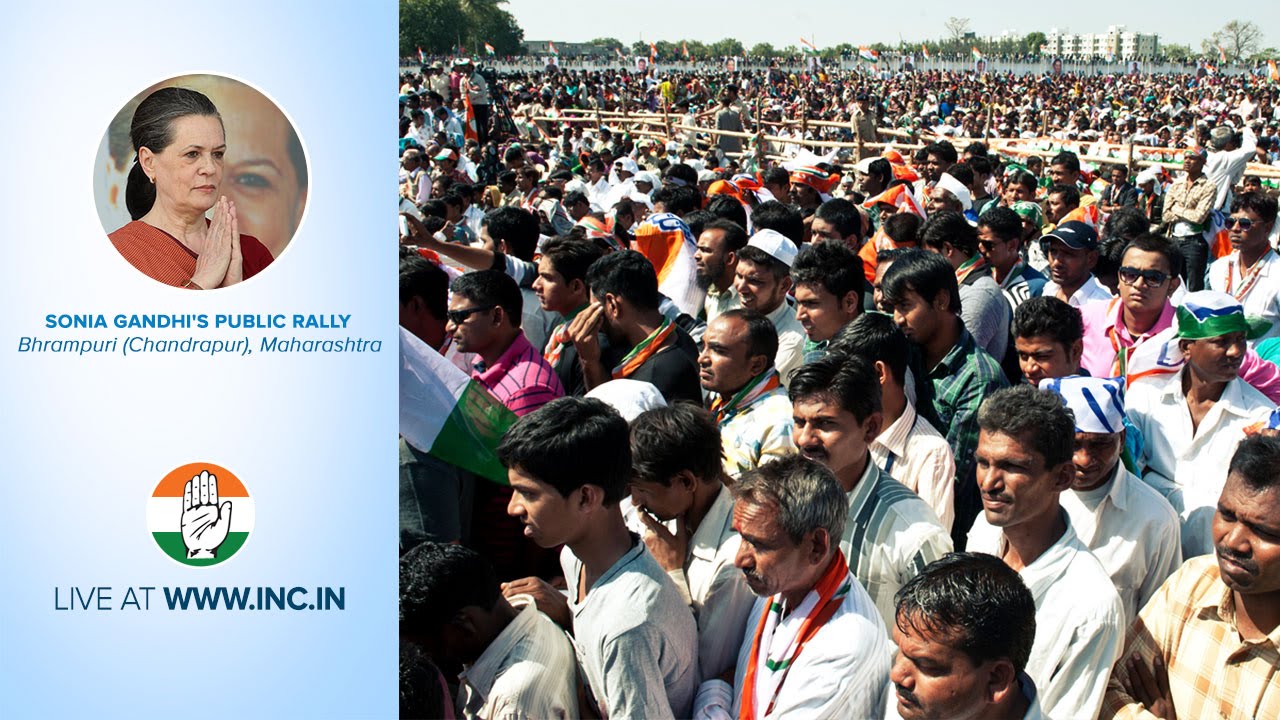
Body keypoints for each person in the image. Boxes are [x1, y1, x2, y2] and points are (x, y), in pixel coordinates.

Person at [499, 397, 697, 718]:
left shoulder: (628, 626)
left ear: (586, 498)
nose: (513, 508)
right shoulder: (573, 558)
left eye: (529, 493)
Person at [692, 456, 892, 719]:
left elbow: (726, 680)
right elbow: (737, 678)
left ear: (816, 547)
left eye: (759, 544)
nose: (740, 559)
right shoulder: (782, 585)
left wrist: (710, 697)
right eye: (740, 537)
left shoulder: (843, 645)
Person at [967, 386, 1125, 720]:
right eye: (983, 462)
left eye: (1011, 466)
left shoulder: (1092, 607)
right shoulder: (983, 531)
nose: (989, 482)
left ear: (1062, 477)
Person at [1101, 435, 1280, 720]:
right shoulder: (1193, 582)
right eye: (1227, 514)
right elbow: (1106, 690)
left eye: (1264, 532)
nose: (1233, 541)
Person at [789, 354, 953, 627]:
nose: (805, 439)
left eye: (825, 424)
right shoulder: (787, 499)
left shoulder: (914, 534)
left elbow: (935, 640)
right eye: (799, 422)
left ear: (871, 428)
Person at [1125, 290, 1274, 558]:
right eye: (1222, 341)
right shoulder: (1144, 398)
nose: (1236, 351)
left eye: (1241, 339)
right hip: (1146, 548)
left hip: (1212, 558)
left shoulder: (1259, 415)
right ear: (1186, 348)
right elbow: (1129, 472)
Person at [881, 249, 1010, 546]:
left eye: (905, 306)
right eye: (893, 308)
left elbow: (952, 479)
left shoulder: (978, 379)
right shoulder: (905, 351)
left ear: (940, 300)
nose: (897, 319)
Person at [627, 404, 757, 682]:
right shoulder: (672, 514)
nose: (636, 502)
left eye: (643, 491)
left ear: (686, 482)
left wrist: (672, 576)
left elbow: (701, 674)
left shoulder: (731, 567)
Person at [1039, 375, 1183, 623]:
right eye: (1074, 444)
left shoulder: (1156, 519)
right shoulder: (1028, 497)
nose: (1084, 460)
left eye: (1100, 444)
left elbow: (1161, 614)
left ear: (1122, 440)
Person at [109, 87, 274, 288]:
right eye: (192, 154)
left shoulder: (252, 254)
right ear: (149, 162)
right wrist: (203, 282)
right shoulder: (118, 253)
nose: (210, 168)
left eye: (217, 154)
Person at [399, 542, 578, 719]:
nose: (427, 657)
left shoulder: (514, 704)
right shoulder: (527, 619)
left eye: (429, 648)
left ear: (465, 624)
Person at [830, 313, 956, 532]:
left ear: (879, 372)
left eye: (846, 376)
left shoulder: (931, 454)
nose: (837, 387)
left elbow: (934, 548)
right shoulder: (839, 430)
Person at [887, 553, 1045, 720]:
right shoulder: (903, 702)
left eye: (926, 665)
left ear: (996, 679)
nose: (896, 675)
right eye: (900, 649)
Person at [571, 250, 702, 404]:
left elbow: (606, 422)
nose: (598, 325)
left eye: (596, 310)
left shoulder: (653, 379)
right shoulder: (676, 335)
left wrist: (589, 362)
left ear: (612, 305)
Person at [700, 310, 796, 478]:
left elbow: (769, 500)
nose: (702, 358)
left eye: (718, 351)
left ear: (757, 365)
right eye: (704, 346)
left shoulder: (779, 424)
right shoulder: (720, 397)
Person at [919, 211, 1010, 363]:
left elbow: (958, 358)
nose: (926, 265)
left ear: (948, 249)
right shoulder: (958, 285)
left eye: (930, 256)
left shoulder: (980, 293)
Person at [733, 229, 806, 386]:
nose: (741, 287)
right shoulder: (733, 312)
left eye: (754, 281)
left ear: (784, 285)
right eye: (739, 276)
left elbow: (751, 390)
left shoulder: (792, 341)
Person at [534, 236, 604, 396]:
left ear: (576, 286)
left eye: (547, 278)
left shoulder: (592, 341)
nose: (536, 285)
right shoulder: (559, 326)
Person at [1208, 192, 1280, 345]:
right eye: (1230, 222)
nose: (1235, 229)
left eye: (1244, 223)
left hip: (1264, 365)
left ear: (1267, 227)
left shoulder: (1277, 273)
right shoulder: (1218, 268)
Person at [790, 240, 864, 359]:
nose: (799, 316)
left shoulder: (872, 359)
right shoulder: (817, 346)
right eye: (798, 303)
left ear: (849, 302)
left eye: (811, 304)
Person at [1162, 148, 1216, 292]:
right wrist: (1187, 212)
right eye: (1185, 157)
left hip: (1195, 240)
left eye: (1192, 158)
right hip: (1174, 238)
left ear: (1202, 162)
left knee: (1194, 285)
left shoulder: (1209, 186)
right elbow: (1166, 215)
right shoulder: (1176, 184)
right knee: (1174, 282)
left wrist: (1177, 208)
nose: (1187, 161)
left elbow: (1199, 217)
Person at [978, 207, 1046, 311]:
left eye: (988, 244)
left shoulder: (1036, 288)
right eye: (978, 242)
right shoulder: (981, 278)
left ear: (1012, 245)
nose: (981, 249)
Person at [1040, 220, 1113, 307]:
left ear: (1091, 259)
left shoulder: (1103, 305)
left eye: (1068, 254)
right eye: (1053, 251)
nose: (1056, 262)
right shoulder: (1049, 289)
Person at [695, 219, 747, 322]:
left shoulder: (747, 301)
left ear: (730, 258)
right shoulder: (710, 294)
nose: (696, 255)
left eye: (705, 250)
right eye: (698, 249)